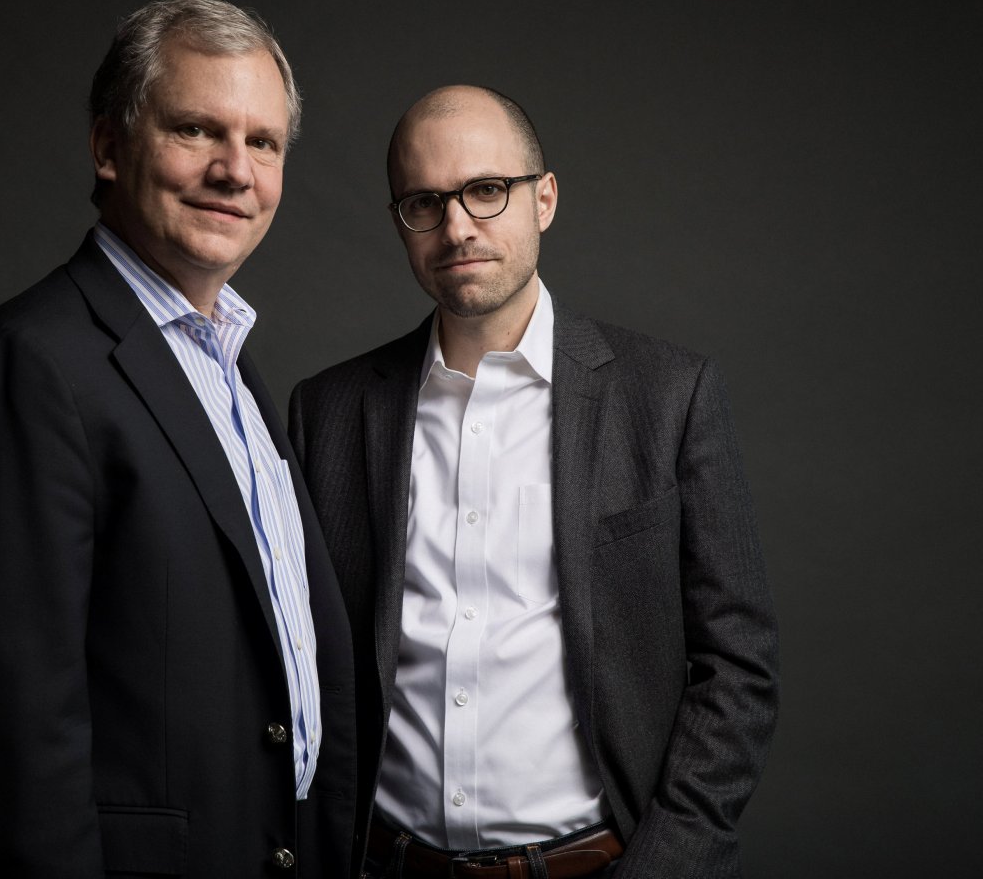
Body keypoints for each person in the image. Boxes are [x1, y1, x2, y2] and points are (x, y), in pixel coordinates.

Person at [288, 85, 778, 878]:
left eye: (486, 190)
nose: (456, 227)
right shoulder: (331, 412)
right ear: (399, 223)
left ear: (543, 198)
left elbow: (739, 664)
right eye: (425, 201)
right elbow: (303, 669)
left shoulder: (667, 395)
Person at [0, 0, 356, 878]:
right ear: (109, 146)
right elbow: (15, 729)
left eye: (263, 143)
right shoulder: (34, 362)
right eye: (197, 130)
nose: (237, 171)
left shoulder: (229, 365)